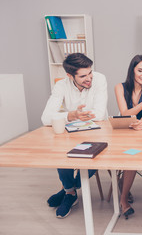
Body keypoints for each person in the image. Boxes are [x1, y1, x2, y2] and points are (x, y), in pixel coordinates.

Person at [41, 53, 108, 218]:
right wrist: (70, 116)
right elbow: (45, 118)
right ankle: (70, 192)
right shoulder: (61, 86)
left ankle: (68, 191)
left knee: (94, 160)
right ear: (70, 76)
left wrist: (72, 116)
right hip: (72, 133)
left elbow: (99, 114)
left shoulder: (99, 79)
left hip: (98, 132)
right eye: (83, 76)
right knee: (61, 155)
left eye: (90, 73)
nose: (89, 78)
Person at [114, 54, 142, 218]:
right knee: (129, 158)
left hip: (140, 129)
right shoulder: (119, 87)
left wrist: (141, 123)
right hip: (123, 129)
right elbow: (125, 114)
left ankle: (123, 198)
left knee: (132, 158)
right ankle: (124, 199)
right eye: (140, 70)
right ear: (132, 70)